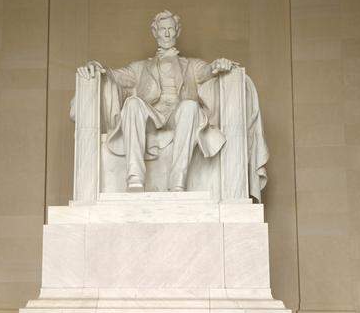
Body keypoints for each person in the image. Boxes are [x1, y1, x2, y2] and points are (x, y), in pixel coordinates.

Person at [76, 10, 239, 192]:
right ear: (155, 32)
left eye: (171, 29)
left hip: (178, 115)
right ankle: (135, 178)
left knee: (190, 106)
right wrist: (97, 67)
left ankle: (177, 182)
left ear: (177, 31)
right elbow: (114, 76)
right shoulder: (139, 68)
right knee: (132, 103)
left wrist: (218, 65)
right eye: (163, 29)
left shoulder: (192, 65)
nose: (167, 33)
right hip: (151, 116)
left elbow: (208, 71)